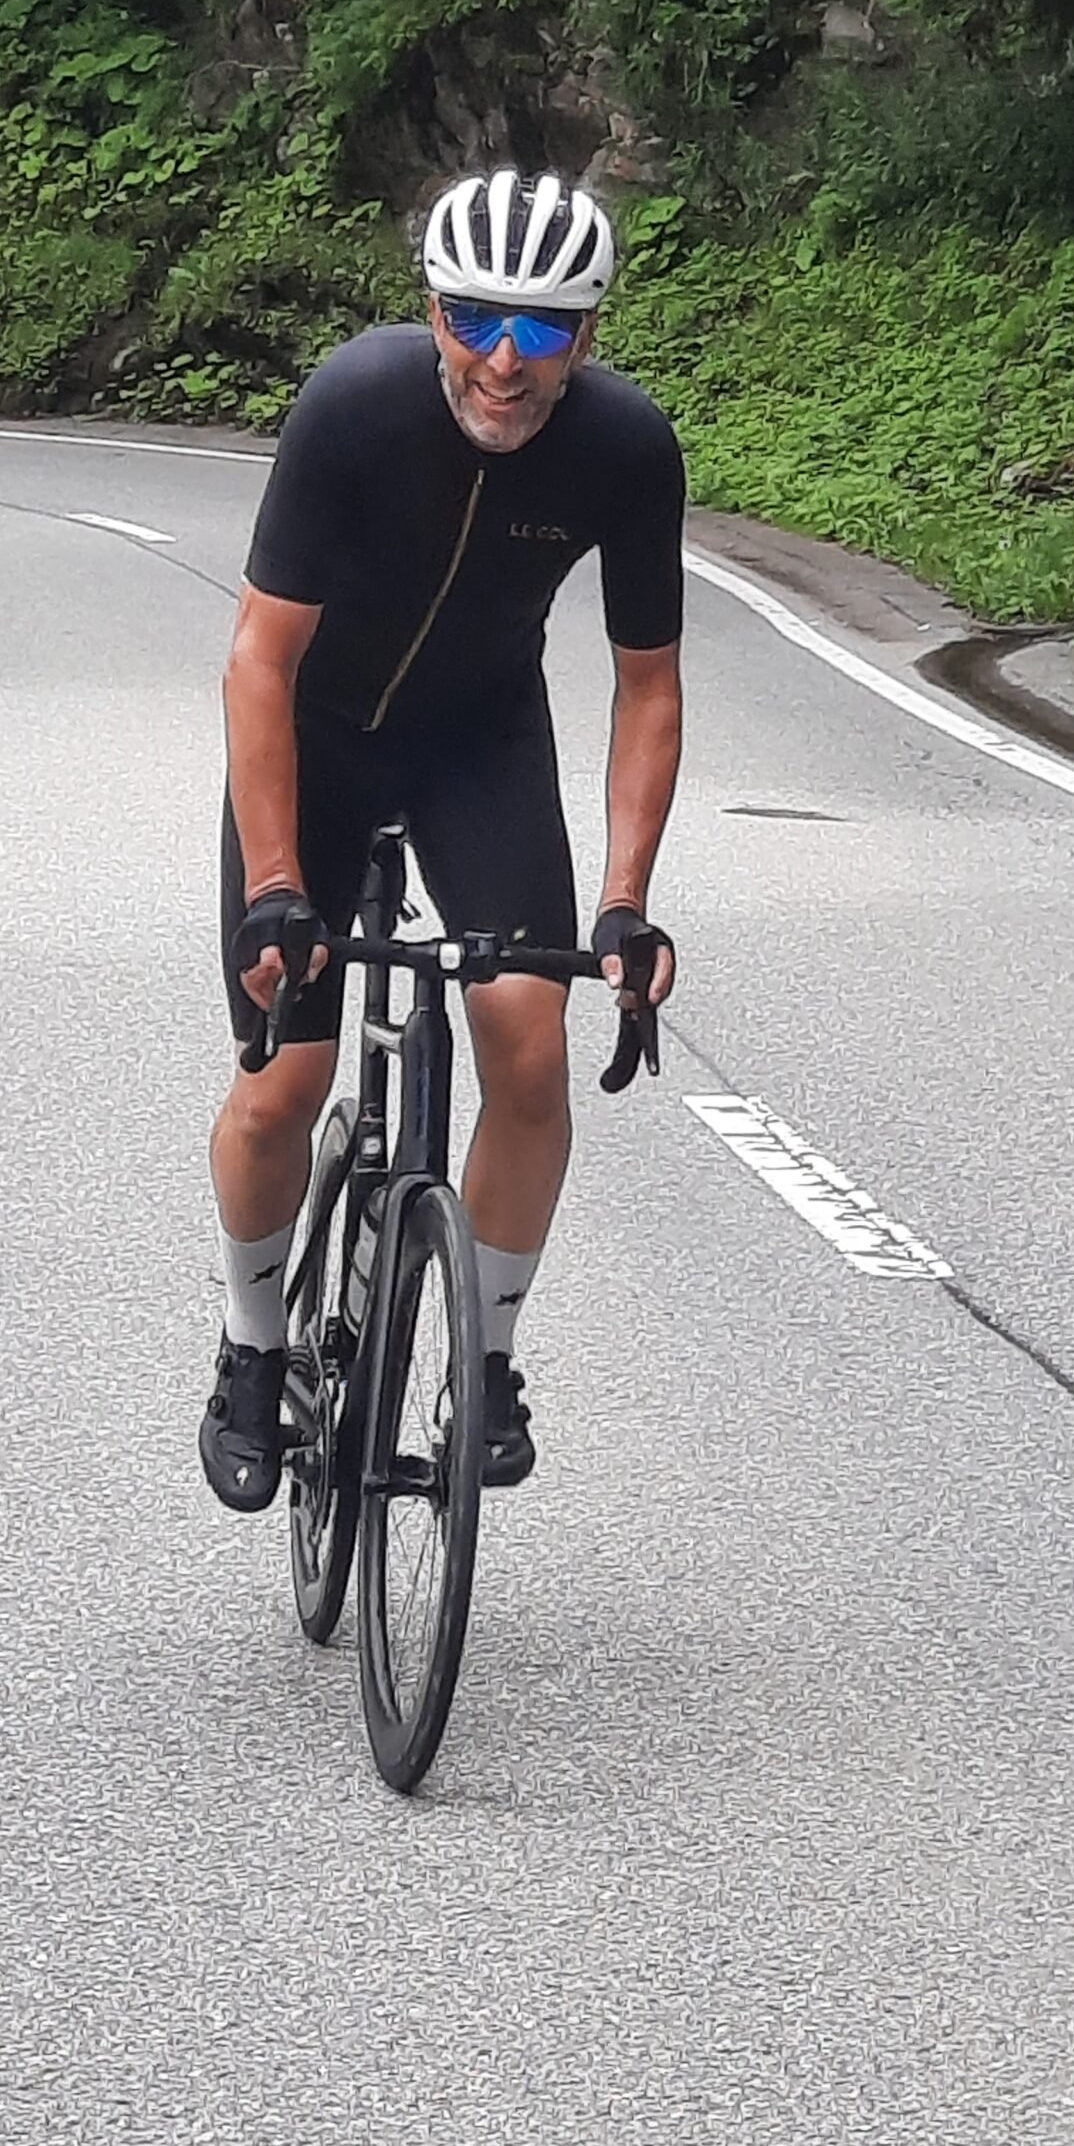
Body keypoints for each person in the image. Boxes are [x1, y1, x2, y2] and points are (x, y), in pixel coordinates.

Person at [203, 166, 685, 1513]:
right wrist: (278, 885)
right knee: (284, 1083)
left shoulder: (626, 450)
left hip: (479, 742)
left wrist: (626, 904)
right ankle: (252, 1351)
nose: (503, 361)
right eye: (476, 319)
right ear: (432, 312)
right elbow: (258, 659)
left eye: (542, 330)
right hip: (319, 742)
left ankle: (487, 1360)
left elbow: (648, 686)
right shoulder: (355, 405)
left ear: (586, 337)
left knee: (528, 1048)